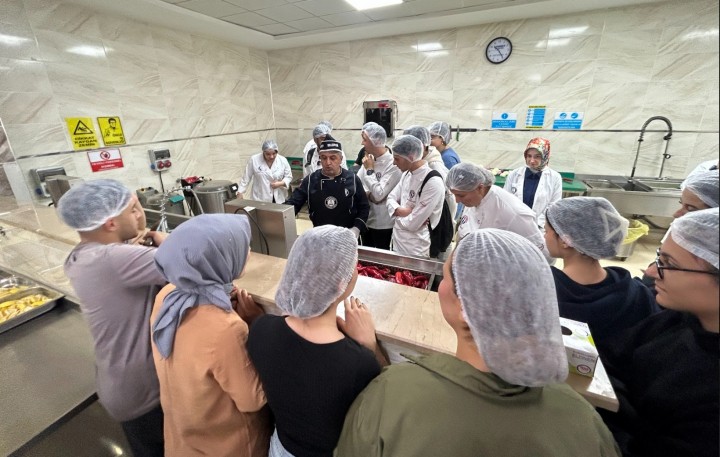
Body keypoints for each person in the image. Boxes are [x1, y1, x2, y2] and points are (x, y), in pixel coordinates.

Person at [336, 229, 620, 457]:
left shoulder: (392, 395)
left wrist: (372, 352)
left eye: (445, 277)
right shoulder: (585, 420)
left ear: (465, 306)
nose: (440, 286)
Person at [247, 225, 386, 457]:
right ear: (341, 285)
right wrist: (371, 347)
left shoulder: (261, 329)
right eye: (353, 267)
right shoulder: (359, 364)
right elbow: (382, 405)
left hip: (279, 448)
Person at [58, 179, 168, 457]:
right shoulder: (115, 259)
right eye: (133, 210)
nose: (139, 215)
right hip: (143, 391)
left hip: (117, 384)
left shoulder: (82, 255)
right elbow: (202, 260)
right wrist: (164, 241)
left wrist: (132, 244)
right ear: (110, 223)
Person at [598, 208, 719, 457]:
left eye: (668, 264)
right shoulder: (677, 320)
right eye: (658, 258)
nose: (651, 272)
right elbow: (608, 358)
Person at [150, 214, 272, 456]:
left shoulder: (167, 295)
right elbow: (253, 399)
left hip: (183, 439)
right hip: (225, 445)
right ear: (219, 260)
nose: (248, 251)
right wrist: (258, 325)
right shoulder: (226, 328)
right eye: (241, 246)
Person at [545, 197, 659, 349]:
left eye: (546, 230)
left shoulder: (544, 293)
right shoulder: (638, 294)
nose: (544, 236)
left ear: (565, 240)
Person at [447, 162, 551, 261]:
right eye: (454, 195)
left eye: (461, 195)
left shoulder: (513, 213)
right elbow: (463, 237)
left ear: (480, 188)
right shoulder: (472, 201)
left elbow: (543, 255)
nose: (457, 201)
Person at [286, 140, 369, 237]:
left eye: (333, 158)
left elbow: (364, 207)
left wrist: (356, 229)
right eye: (324, 158)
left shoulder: (353, 179)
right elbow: (293, 204)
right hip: (320, 234)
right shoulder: (311, 180)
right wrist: (278, 215)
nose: (328, 162)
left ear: (341, 159)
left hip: (347, 234)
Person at [386, 135, 445, 258]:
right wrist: (400, 211)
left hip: (416, 247)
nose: (394, 163)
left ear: (411, 157)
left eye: (397, 159)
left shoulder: (432, 181)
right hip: (397, 241)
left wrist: (396, 215)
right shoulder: (407, 174)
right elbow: (390, 198)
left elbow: (413, 224)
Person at [357, 122, 401, 250]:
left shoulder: (393, 164)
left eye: (364, 140)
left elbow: (378, 195)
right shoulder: (369, 159)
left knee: (383, 258)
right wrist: (369, 194)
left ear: (375, 141)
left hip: (384, 224)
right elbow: (357, 185)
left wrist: (370, 170)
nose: (362, 143)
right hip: (367, 219)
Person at [503, 137, 562, 229]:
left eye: (537, 156)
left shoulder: (555, 177)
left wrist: (538, 223)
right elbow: (505, 200)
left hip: (540, 227)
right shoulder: (515, 174)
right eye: (529, 156)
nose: (532, 160)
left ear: (545, 156)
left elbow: (554, 206)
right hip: (514, 223)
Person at [236, 139, 293, 203]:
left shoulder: (282, 160)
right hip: (260, 197)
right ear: (263, 152)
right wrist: (240, 192)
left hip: (278, 196)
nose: (271, 157)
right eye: (268, 154)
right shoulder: (254, 160)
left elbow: (288, 176)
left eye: (274, 153)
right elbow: (246, 178)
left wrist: (280, 183)